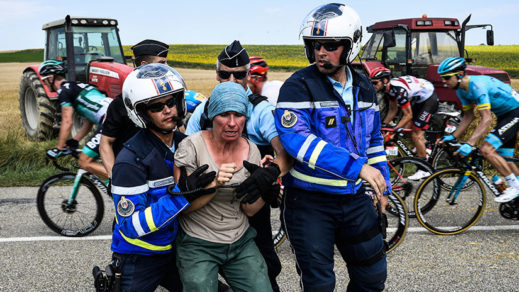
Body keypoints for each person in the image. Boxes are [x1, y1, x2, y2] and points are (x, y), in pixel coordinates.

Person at [274, 3, 391, 291]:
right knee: (319, 284)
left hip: (355, 199)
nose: (320, 52)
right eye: (314, 45)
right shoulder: (296, 87)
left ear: (351, 46)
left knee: (372, 277)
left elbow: (373, 141)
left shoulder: (364, 87)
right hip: (309, 203)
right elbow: (297, 140)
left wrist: (382, 185)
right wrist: (357, 168)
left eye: (330, 45)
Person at [186, 40, 291, 291]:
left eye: (240, 74)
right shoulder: (202, 111)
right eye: (225, 74)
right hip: (208, 206)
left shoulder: (261, 110)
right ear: (216, 75)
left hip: (251, 203)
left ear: (248, 75)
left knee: (265, 272)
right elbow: (185, 154)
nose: (232, 80)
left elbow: (286, 154)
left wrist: (271, 173)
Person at [108, 63, 216, 291]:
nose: (167, 110)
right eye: (157, 107)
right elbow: (130, 226)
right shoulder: (130, 160)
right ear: (141, 113)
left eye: (171, 102)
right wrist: (181, 196)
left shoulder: (185, 143)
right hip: (139, 256)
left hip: (176, 249)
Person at [174, 81, 275, 292]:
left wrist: (266, 191)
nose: (232, 123)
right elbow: (181, 207)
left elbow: (248, 209)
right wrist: (215, 184)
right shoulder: (191, 147)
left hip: (240, 241)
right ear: (212, 115)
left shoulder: (252, 150)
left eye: (238, 115)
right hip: (197, 242)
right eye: (224, 115)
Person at [100, 39, 207, 178]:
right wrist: (115, 178)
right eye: (162, 63)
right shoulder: (121, 103)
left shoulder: (168, 97)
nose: (167, 66)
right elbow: (105, 143)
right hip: (135, 172)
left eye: (170, 103)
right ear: (145, 65)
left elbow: (179, 129)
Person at [438, 56, 519, 203]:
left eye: (447, 77)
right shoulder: (461, 91)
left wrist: (470, 143)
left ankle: (515, 187)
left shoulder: (477, 86)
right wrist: (453, 136)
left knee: (486, 149)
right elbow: (469, 116)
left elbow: (486, 118)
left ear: (460, 75)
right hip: (505, 115)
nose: (443, 81)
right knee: (505, 158)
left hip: (515, 112)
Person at [41, 60, 110, 180]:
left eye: (44, 79)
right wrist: (75, 140)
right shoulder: (77, 86)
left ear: (51, 78)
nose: (44, 83)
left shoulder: (63, 91)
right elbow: (89, 121)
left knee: (84, 161)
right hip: (117, 115)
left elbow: (67, 121)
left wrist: (59, 148)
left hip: (109, 120)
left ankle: (122, 184)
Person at [370, 67, 438, 180]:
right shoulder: (388, 90)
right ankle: (425, 147)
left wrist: (395, 130)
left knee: (415, 134)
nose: (373, 86)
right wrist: (383, 126)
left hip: (428, 98)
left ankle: (424, 169)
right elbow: (393, 110)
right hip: (419, 99)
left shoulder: (398, 90)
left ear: (385, 81)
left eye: (375, 83)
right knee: (407, 130)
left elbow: (408, 115)